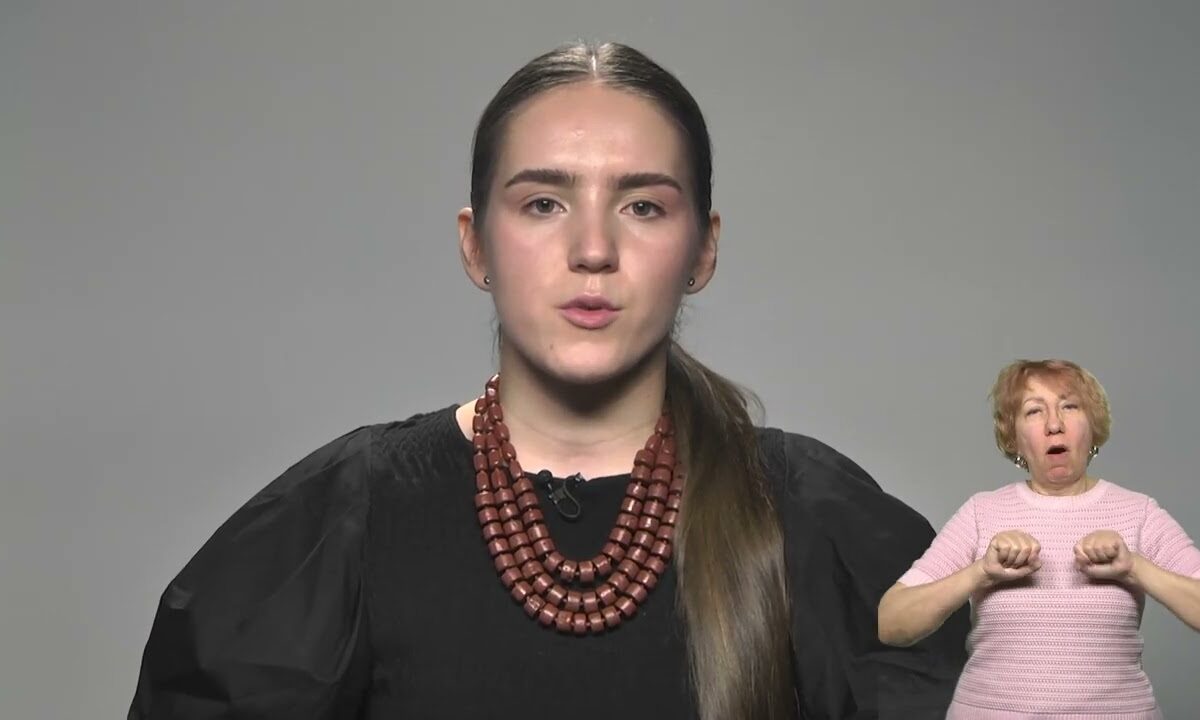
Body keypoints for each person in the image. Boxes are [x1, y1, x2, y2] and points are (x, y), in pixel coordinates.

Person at [129, 41, 967, 720]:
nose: (592, 250)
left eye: (643, 206)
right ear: (475, 246)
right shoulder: (348, 519)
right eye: (542, 204)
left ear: (703, 250)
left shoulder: (812, 516)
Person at [878, 359, 1200, 719]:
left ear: (1093, 427)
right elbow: (891, 623)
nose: (1054, 424)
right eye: (1034, 411)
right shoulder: (981, 512)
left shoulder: (1138, 512)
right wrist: (979, 573)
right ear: (1013, 438)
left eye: (1070, 406)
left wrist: (1135, 568)